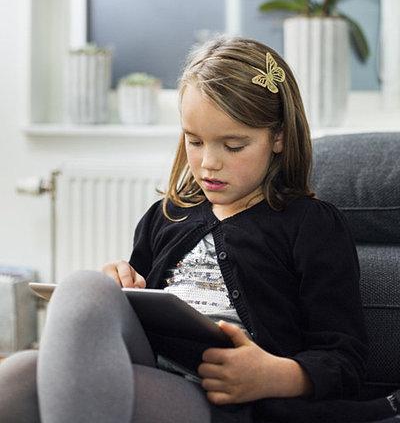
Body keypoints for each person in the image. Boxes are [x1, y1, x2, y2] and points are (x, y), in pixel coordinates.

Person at [0, 36, 399, 423]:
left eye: (233, 145)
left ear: (277, 137)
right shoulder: (167, 216)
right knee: (61, 321)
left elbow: (343, 359)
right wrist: (119, 288)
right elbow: (134, 319)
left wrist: (274, 374)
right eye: (195, 141)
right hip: (154, 366)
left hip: (233, 402)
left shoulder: (311, 225)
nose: (209, 163)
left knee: (25, 376)